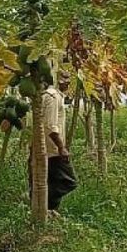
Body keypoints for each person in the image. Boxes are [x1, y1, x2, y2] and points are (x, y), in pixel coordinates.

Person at [29, 71, 77, 214]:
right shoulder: (53, 96)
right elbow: (50, 126)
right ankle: (42, 204)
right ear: (56, 80)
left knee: (50, 180)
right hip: (51, 149)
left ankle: (48, 210)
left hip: (48, 148)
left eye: (68, 79)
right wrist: (61, 147)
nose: (66, 82)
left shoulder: (54, 96)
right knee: (69, 182)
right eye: (63, 79)